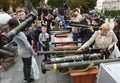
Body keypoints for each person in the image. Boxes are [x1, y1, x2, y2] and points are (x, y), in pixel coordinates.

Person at [7, 17, 35, 83]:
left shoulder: (12, 32)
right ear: (16, 23)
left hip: (20, 51)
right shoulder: (20, 34)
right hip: (26, 52)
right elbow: (28, 45)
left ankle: (26, 78)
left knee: (25, 65)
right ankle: (28, 80)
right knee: (28, 66)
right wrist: (33, 52)